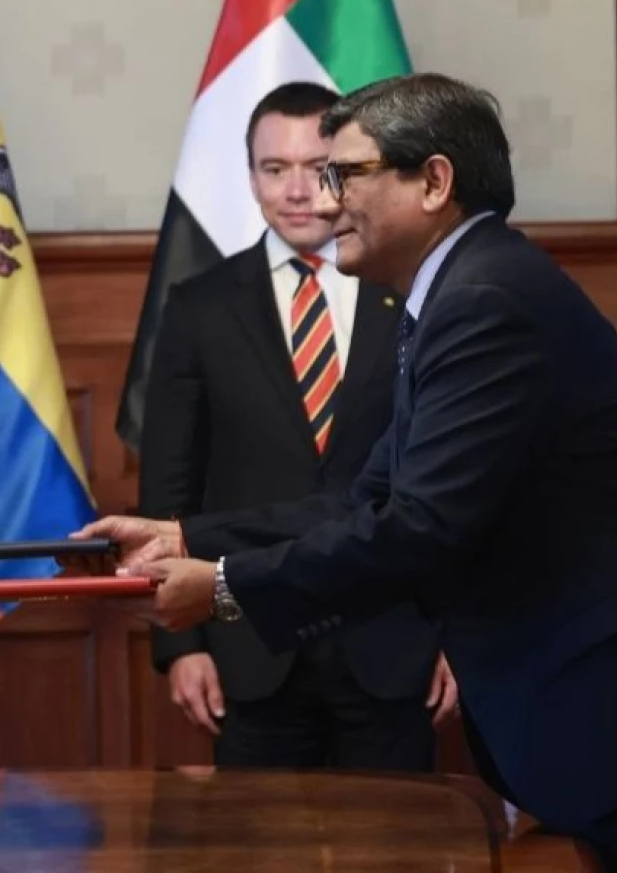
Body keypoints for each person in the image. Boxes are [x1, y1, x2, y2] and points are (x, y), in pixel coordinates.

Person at [76, 72, 617, 864]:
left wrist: (223, 587)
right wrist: (186, 536)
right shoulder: (454, 293)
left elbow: (419, 526)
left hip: (590, 691)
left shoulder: (484, 302)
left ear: (433, 181)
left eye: (343, 174)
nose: (322, 200)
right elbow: (360, 499)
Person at [141, 81, 453, 771]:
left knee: (399, 830)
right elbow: (169, 484)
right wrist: (181, 647)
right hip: (248, 642)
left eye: (318, 168)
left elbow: (452, 484)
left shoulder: (414, 293)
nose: (297, 190)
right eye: (274, 168)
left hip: (392, 637)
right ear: (250, 177)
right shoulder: (198, 307)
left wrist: (457, 636)